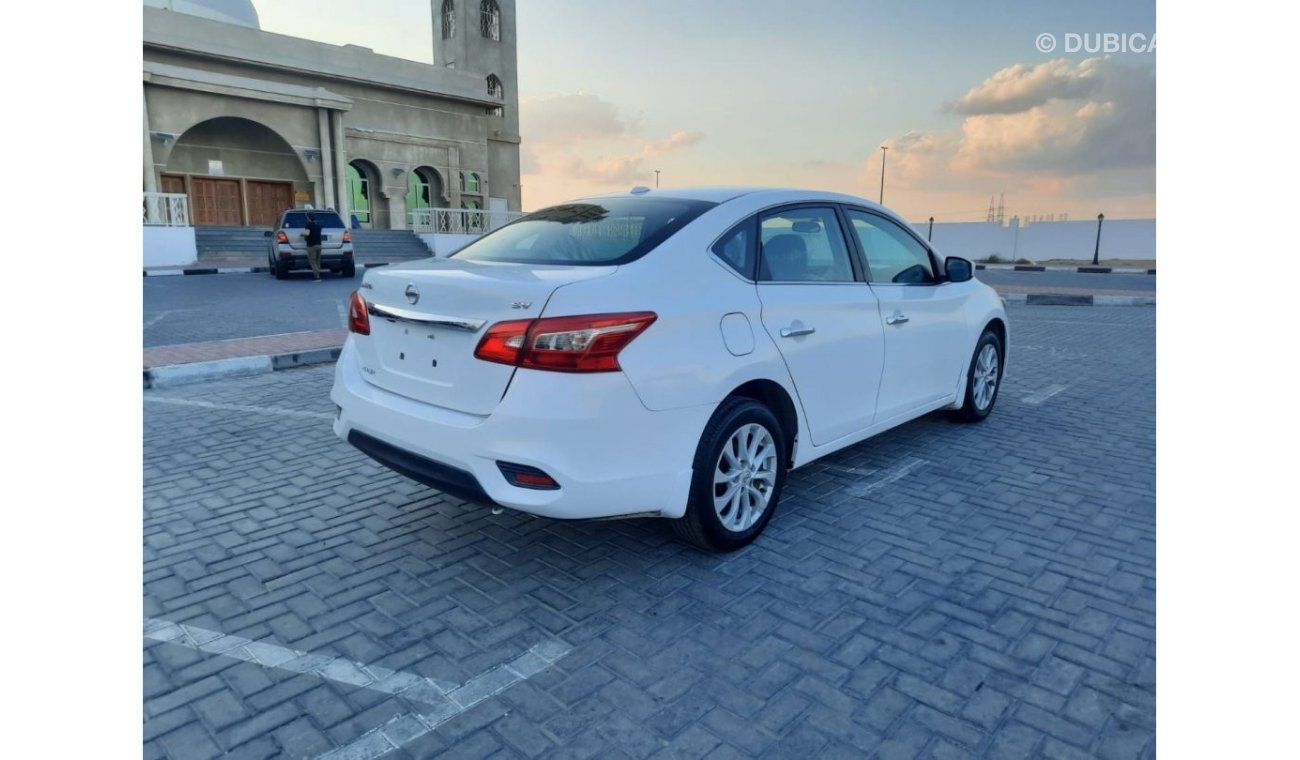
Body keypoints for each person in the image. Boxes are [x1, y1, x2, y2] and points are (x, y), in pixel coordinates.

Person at [302, 212, 324, 281]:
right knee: (318, 260)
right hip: (319, 244)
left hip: (311, 245)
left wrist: (301, 234)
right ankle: (318, 274)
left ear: (308, 218)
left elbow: (307, 233)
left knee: (312, 261)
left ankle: (317, 275)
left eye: (307, 217)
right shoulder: (318, 224)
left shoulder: (309, 224)